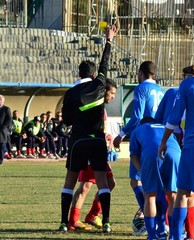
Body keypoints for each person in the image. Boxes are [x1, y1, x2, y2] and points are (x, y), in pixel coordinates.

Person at [58, 25, 117, 233]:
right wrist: (108, 40)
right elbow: (105, 64)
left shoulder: (70, 93)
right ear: (93, 74)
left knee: (69, 183)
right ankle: (107, 223)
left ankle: (65, 223)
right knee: (103, 183)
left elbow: (66, 120)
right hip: (97, 140)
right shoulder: (99, 84)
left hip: (78, 140)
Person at [113, 60, 165, 235]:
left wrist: (121, 134)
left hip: (144, 138)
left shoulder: (141, 88)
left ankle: (147, 217)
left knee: (137, 180)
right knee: (160, 183)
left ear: (141, 73)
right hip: (161, 137)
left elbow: (137, 117)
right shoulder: (161, 91)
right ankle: (163, 220)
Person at [67, 78, 118, 231]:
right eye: (112, 93)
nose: (113, 96)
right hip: (91, 150)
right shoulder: (94, 105)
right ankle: (74, 220)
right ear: (104, 92)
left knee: (108, 184)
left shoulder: (102, 108)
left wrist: (107, 135)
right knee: (86, 186)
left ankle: (90, 215)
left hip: (97, 149)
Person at [158, 66, 194, 240]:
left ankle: (177, 236)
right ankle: (190, 234)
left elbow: (174, 117)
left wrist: (163, 142)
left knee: (183, 192)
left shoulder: (188, 85)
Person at [130, 117, 181, 240]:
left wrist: (142, 172)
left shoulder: (137, 130)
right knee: (173, 196)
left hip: (152, 154)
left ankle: (152, 236)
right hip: (175, 153)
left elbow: (133, 155)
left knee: (150, 196)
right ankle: (173, 234)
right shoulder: (164, 127)